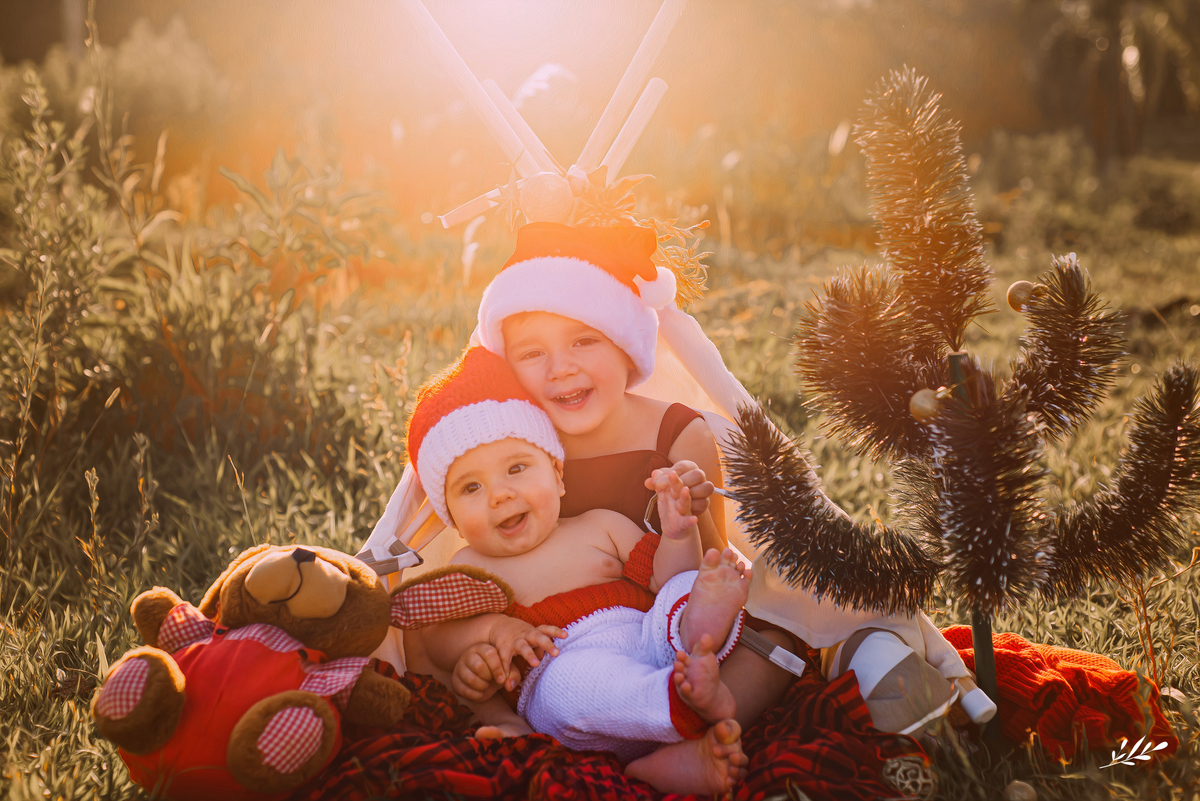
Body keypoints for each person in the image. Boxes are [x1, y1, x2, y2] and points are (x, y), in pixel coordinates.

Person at [366, 221, 996, 738]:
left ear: (624, 345)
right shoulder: (516, 445)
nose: (560, 369)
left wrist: (686, 520)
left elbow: (711, 563)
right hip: (572, 647)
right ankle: (684, 721)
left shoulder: (678, 433)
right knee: (583, 687)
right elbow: (443, 599)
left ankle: (840, 662)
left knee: (776, 620)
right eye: (533, 353)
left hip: (674, 613)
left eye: (584, 341)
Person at [402, 345, 752, 796]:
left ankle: (698, 638)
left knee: (682, 587)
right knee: (568, 686)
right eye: (471, 487)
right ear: (450, 515)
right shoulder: (470, 568)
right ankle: (683, 703)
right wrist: (494, 632)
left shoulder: (600, 525)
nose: (499, 495)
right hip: (562, 668)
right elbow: (436, 642)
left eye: (516, 468)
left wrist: (677, 533)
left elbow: (662, 579)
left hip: (653, 642)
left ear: (558, 476)